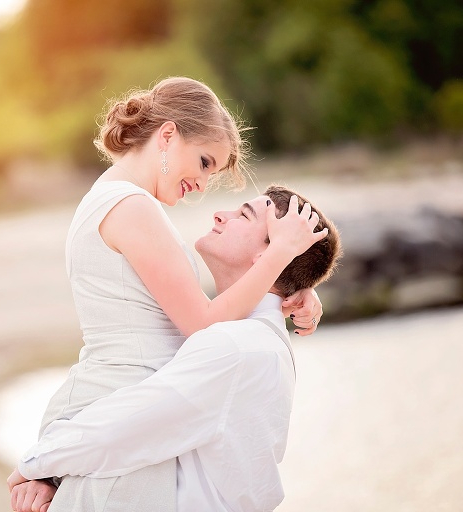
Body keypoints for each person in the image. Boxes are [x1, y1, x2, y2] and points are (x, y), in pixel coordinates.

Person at [19, 77, 328, 512]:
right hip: (114, 410)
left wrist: (290, 290)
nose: (202, 185)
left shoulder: (124, 201)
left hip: (121, 415)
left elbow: (207, 318)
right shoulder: (132, 207)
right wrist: (279, 256)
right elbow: (201, 324)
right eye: (204, 162)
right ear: (167, 135)